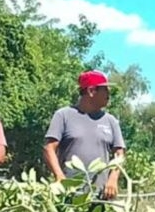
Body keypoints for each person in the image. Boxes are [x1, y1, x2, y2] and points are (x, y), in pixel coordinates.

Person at [44, 70, 126, 202]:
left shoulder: (111, 121)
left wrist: (113, 179)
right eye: (105, 89)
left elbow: (119, 154)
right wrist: (59, 177)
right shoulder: (63, 115)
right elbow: (49, 148)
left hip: (100, 196)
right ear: (91, 91)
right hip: (68, 196)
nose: (109, 94)